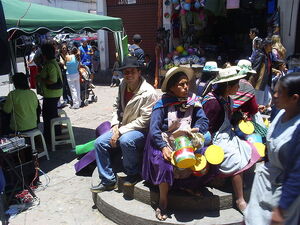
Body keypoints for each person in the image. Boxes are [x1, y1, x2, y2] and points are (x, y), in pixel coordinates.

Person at [142, 67, 210, 221]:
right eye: (181, 84)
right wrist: (163, 146)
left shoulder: (193, 100)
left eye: (187, 84)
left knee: (204, 158)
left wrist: (197, 129)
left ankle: (187, 185)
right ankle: (163, 201)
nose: (186, 87)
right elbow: (154, 130)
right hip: (164, 140)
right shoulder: (162, 104)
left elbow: (203, 120)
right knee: (164, 162)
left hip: (186, 140)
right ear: (172, 87)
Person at [90, 56, 158, 193]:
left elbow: (145, 120)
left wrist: (121, 131)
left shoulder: (149, 92)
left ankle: (133, 173)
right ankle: (108, 180)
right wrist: (115, 124)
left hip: (141, 130)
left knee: (126, 140)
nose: (129, 75)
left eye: (132, 71)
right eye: (126, 72)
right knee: (99, 143)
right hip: (122, 126)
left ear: (139, 72)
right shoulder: (122, 86)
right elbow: (116, 107)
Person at [202, 67, 261, 213]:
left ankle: (235, 183)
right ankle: (240, 199)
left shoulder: (226, 99)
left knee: (247, 147)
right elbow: (206, 128)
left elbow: (227, 118)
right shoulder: (212, 103)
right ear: (228, 86)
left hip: (226, 133)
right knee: (235, 157)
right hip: (214, 138)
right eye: (236, 85)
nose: (239, 88)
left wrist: (239, 117)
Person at [244, 73, 300, 225]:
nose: (274, 96)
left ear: (294, 98)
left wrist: (282, 209)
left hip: (285, 190)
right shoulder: (279, 112)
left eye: (279, 92)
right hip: (265, 181)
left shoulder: (298, 127)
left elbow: (297, 172)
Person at [36, 42, 63, 144]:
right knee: (52, 115)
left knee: (48, 117)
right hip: (53, 94)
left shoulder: (50, 64)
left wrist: (41, 79)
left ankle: (49, 138)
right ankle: (55, 135)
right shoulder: (51, 62)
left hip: (51, 94)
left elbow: (53, 80)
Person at [250, 38, 273, 107]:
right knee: (259, 103)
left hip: (265, 82)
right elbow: (255, 68)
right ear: (265, 46)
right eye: (270, 45)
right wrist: (251, 82)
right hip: (259, 83)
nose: (272, 47)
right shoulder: (260, 54)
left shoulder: (267, 55)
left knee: (267, 100)